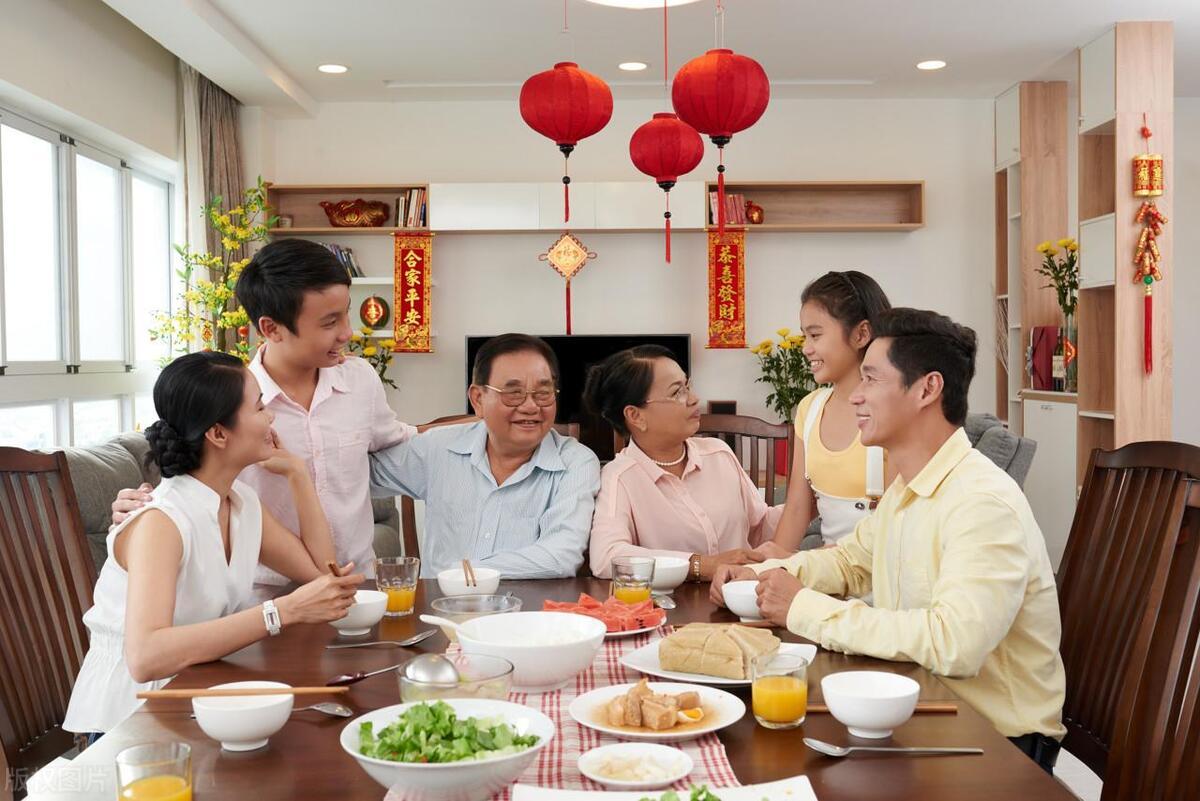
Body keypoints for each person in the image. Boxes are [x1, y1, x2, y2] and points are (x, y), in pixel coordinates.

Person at [712, 308, 1066, 773]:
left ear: (927, 389)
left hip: (995, 742)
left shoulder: (981, 501)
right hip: (923, 704)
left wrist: (803, 607)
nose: (856, 396)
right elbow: (850, 562)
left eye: (872, 379)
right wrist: (761, 575)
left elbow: (954, 643)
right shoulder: (908, 487)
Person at [65, 352, 364, 735]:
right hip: (132, 720)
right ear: (218, 434)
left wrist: (297, 473)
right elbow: (145, 658)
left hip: (199, 698)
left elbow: (323, 577)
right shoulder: (161, 521)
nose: (270, 418)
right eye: (259, 407)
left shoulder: (241, 503)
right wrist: (281, 611)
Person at [111, 238, 417, 590]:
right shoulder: (232, 407)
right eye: (329, 322)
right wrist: (138, 509)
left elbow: (403, 441)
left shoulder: (360, 381)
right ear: (271, 328)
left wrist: (470, 429)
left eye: (347, 313)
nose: (347, 333)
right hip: (260, 597)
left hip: (357, 587)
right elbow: (188, 488)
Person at [369, 334, 601, 578]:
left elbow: (560, 555)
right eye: (514, 393)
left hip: (527, 603)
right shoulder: (437, 448)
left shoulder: (576, 462)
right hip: (442, 601)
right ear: (478, 399)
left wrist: (460, 573)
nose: (531, 406)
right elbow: (357, 476)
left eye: (543, 393)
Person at [583, 345, 783, 580]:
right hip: (675, 601)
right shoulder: (620, 476)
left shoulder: (718, 454)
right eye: (677, 392)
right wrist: (701, 565)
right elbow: (607, 557)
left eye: (688, 386)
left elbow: (759, 527)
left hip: (742, 594)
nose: (694, 399)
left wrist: (810, 494)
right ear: (636, 416)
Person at [771, 270, 894, 551]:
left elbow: (899, 527)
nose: (806, 348)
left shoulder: (894, 411)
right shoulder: (809, 409)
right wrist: (772, 566)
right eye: (804, 336)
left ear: (861, 334)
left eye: (815, 335)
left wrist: (810, 563)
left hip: (880, 569)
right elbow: (797, 508)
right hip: (826, 571)